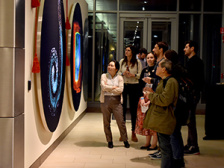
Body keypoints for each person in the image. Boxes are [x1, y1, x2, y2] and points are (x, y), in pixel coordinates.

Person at [143, 59, 179, 168]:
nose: (156, 68)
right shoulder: (164, 80)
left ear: (164, 69)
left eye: (158, 66)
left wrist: (150, 95)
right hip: (161, 117)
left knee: (165, 148)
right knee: (164, 147)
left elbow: (165, 100)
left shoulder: (171, 81)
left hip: (165, 118)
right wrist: (152, 94)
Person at [143, 41, 168, 159]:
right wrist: (152, 81)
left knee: (163, 128)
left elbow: (163, 82)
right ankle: (160, 149)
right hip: (157, 97)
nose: (153, 49)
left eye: (155, 48)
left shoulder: (164, 62)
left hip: (161, 99)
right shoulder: (160, 62)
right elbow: (158, 81)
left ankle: (165, 153)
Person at [100, 60, 130, 148]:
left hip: (117, 101)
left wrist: (108, 88)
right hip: (105, 101)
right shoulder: (104, 76)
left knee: (121, 122)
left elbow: (120, 90)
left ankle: (125, 140)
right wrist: (113, 87)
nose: (109, 67)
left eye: (112, 66)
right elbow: (103, 87)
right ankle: (109, 141)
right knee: (106, 122)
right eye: (109, 65)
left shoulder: (120, 78)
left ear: (116, 69)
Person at [164, 50, 187, 168]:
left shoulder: (173, 75)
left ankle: (177, 158)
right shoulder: (179, 70)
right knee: (176, 133)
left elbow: (168, 96)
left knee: (174, 134)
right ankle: (178, 157)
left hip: (177, 107)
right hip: (180, 106)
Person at [183, 40, 204, 155]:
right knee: (189, 119)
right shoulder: (191, 61)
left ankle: (194, 146)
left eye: (186, 47)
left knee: (191, 120)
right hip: (192, 93)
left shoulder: (195, 62)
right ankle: (190, 143)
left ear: (192, 48)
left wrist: (194, 92)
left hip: (193, 94)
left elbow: (196, 80)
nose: (184, 49)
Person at [119, 45, 142, 142]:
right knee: (122, 109)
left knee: (133, 109)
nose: (126, 52)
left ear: (132, 52)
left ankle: (133, 132)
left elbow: (139, 75)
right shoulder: (121, 61)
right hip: (124, 85)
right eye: (125, 50)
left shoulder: (137, 62)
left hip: (134, 86)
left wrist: (133, 75)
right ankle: (123, 134)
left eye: (128, 50)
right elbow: (118, 73)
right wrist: (122, 74)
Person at [136, 52, 158, 150]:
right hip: (144, 97)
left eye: (151, 57)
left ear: (155, 59)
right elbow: (140, 85)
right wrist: (141, 98)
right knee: (145, 121)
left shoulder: (157, 70)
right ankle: (147, 143)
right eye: (148, 57)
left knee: (154, 122)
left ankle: (154, 144)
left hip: (154, 97)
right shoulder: (144, 70)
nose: (149, 59)